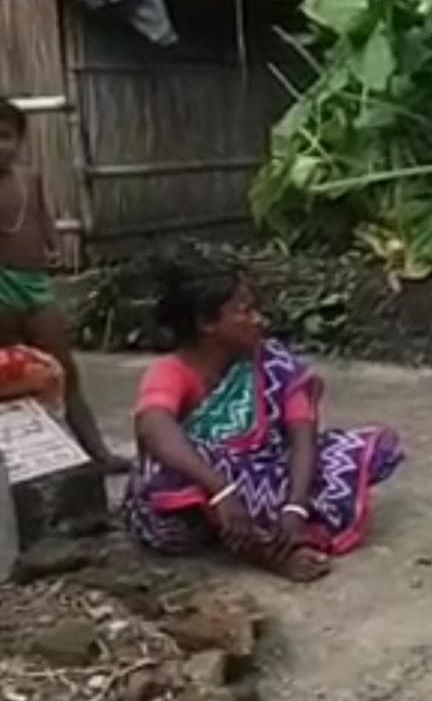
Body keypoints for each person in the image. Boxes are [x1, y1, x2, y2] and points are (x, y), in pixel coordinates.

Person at [122, 257, 403, 581]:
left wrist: (295, 505)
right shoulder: (171, 371)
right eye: (245, 311)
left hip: (256, 479)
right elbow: (153, 425)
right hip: (185, 510)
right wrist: (221, 490)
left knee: (358, 448)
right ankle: (264, 551)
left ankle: (280, 525)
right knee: (172, 455)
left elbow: (302, 433)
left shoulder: (271, 362)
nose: (260, 320)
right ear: (207, 323)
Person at [0, 99, 124, 472]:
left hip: (35, 284)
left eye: (5, 137)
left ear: (19, 139)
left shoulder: (29, 179)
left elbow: (43, 217)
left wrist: (54, 247)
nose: (0, 147)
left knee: (64, 369)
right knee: (9, 372)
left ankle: (98, 452)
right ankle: (23, 462)